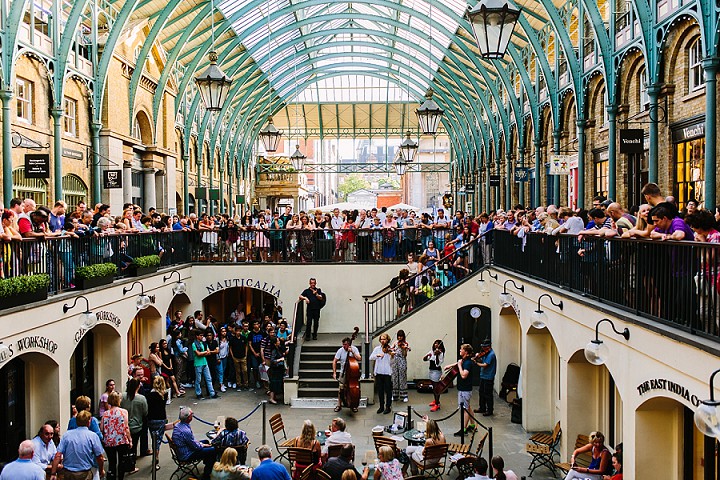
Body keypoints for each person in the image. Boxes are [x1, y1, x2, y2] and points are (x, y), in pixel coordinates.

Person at [52, 411, 105, 480]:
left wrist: (53, 473)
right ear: (89, 422)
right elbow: (100, 457)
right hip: (85, 473)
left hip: (68, 473)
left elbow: (58, 455)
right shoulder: (93, 436)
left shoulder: (66, 435)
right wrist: (101, 470)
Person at [172, 406, 217, 480]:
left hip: (184, 449)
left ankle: (207, 461)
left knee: (206, 442)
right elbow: (195, 447)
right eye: (191, 414)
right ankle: (207, 474)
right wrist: (203, 445)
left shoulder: (178, 425)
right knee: (213, 450)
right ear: (189, 418)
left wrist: (203, 444)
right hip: (187, 454)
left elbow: (192, 442)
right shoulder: (185, 431)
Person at [100, 391, 132, 480]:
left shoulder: (105, 414)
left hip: (109, 441)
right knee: (122, 461)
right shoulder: (123, 412)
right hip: (121, 440)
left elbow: (102, 428)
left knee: (112, 462)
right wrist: (130, 440)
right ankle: (120, 478)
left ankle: (112, 477)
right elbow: (126, 427)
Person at [120, 378, 147, 470]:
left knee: (124, 446)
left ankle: (123, 462)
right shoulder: (141, 398)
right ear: (138, 386)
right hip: (136, 426)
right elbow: (145, 412)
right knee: (134, 446)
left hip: (123, 426)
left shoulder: (122, 396)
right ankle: (131, 465)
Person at [147, 375, 172, 468]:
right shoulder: (164, 394)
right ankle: (156, 457)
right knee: (158, 440)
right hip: (161, 418)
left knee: (153, 438)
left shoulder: (150, 395)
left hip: (151, 419)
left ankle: (155, 456)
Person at [332, 337, 362, 413]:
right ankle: (339, 404)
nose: (343, 346)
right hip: (343, 372)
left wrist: (352, 352)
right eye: (343, 344)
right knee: (341, 389)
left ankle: (353, 405)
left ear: (349, 344)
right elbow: (335, 361)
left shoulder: (354, 349)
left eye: (345, 344)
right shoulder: (340, 350)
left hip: (352, 373)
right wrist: (334, 372)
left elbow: (359, 358)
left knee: (353, 390)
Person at [452, 344, 475, 437]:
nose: (460, 350)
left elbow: (463, 375)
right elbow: (458, 363)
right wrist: (450, 366)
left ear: (466, 352)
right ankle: (472, 425)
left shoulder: (468, 363)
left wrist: (459, 366)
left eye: (461, 349)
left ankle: (464, 429)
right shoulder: (465, 361)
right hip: (463, 388)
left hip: (465, 389)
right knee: (468, 407)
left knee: (465, 409)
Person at [192, 329, 220, 399]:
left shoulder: (204, 343)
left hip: (205, 362)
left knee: (209, 378)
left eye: (202, 335)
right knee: (198, 380)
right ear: (197, 336)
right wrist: (204, 353)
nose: (202, 337)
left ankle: (212, 393)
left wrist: (203, 353)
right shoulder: (194, 344)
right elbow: (198, 354)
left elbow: (208, 352)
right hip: (198, 364)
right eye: (200, 335)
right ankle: (198, 393)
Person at [371, 333, 394, 414]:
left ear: (387, 340)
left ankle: (388, 407)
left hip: (387, 372)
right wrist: (377, 355)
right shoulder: (377, 349)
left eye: (384, 339)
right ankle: (381, 406)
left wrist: (391, 355)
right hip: (379, 372)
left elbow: (392, 362)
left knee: (388, 390)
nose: (383, 341)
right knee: (380, 390)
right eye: (381, 339)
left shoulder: (390, 349)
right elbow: (371, 357)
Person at [474, 340, 497, 416]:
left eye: (484, 347)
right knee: (481, 392)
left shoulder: (491, 354)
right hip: (483, 375)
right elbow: (482, 360)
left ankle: (489, 410)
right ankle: (482, 407)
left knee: (488, 394)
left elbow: (485, 365)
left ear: (488, 347)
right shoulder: (485, 353)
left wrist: (476, 363)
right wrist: (477, 357)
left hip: (489, 376)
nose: (483, 349)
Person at [424, 339, 445, 412]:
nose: (436, 344)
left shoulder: (441, 353)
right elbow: (424, 359)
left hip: (436, 372)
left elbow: (438, 364)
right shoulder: (432, 351)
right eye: (435, 343)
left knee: (436, 388)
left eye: (438, 343)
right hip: (431, 371)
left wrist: (436, 355)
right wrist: (427, 356)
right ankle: (436, 401)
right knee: (434, 387)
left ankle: (437, 404)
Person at [391, 330, 410, 403]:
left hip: (402, 361)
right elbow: (391, 350)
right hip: (395, 361)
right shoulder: (395, 343)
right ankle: (395, 395)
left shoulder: (405, 344)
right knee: (395, 377)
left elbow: (405, 355)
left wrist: (404, 349)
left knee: (402, 378)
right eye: (398, 336)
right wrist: (392, 351)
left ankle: (404, 395)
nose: (399, 338)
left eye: (401, 336)